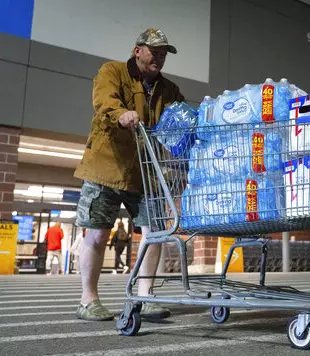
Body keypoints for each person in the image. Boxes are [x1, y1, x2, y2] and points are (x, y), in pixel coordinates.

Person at [73, 28, 185, 321]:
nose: (159, 58)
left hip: (144, 172)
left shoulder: (168, 90)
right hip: (106, 167)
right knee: (97, 234)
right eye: (154, 51)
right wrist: (120, 112)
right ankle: (88, 299)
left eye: (163, 53)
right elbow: (104, 100)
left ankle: (145, 296)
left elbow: (182, 115)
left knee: (155, 233)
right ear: (138, 50)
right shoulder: (112, 72)